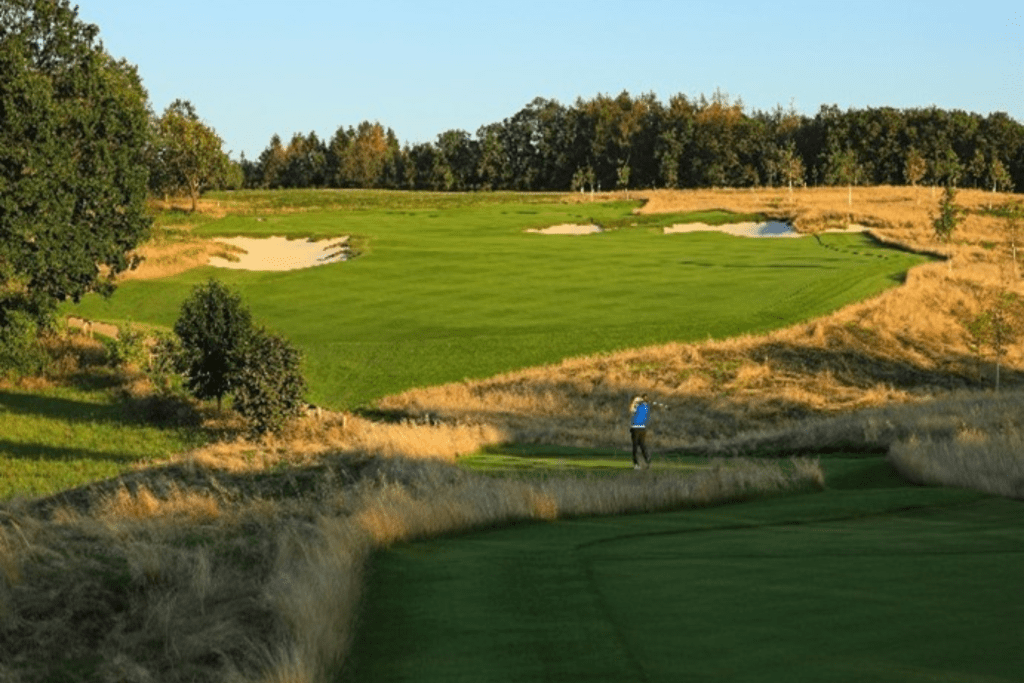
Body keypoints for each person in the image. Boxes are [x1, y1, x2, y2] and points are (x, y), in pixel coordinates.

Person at [629, 393, 652, 469]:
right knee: (641, 445)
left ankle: (636, 464)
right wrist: (638, 400)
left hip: (636, 428)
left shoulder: (640, 406)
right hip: (642, 429)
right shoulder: (646, 406)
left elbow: (631, 409)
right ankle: (646, 459)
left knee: (636, 446)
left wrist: (635, 401)